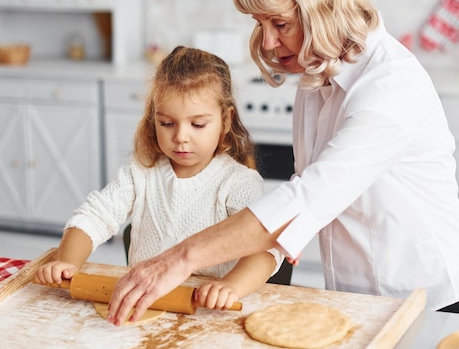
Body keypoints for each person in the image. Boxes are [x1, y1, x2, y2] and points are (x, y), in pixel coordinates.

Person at [106, 0, 459, 326]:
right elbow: (307, 188)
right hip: (356, 297)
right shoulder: (317, 75)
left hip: (430, 300)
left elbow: (306, 198)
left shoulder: (389, 87)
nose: (267, 42)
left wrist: (179, 258)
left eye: (280, 24)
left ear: (323, 10)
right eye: (259, 24)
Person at [34, 46, 283, 312]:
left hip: (208, 311)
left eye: (197, 125)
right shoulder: (141, 173)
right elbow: (94, 216)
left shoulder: (238, 183)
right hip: (145, 305)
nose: (181, 137)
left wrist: (231, 286)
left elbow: (266, 249)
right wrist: (67, 263)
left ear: (226, 120)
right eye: (167, 123)